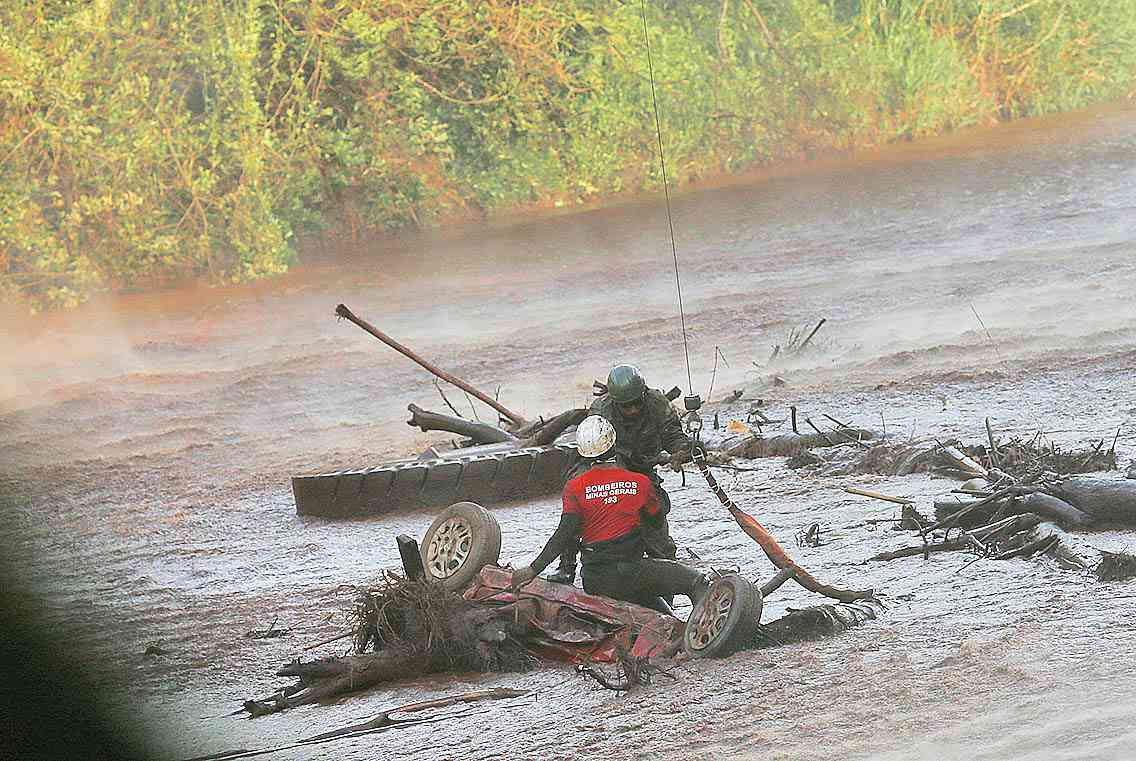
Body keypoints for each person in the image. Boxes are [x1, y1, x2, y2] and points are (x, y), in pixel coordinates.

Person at [511, 415, 708, 610]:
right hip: (634, 572)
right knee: (697, 582)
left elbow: (564, 534)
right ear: (614, 445)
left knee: (663, 612)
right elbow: (656, 522)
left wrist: (533, 569)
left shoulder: (574, 488)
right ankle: (705, 637)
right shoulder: (640, 482)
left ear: (582, 452)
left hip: (596, 581)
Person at [544, 364, 691, 584]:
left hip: (643, 470)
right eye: (625, 406)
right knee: (578, 504)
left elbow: (673, 435)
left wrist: (679, 452)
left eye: (636, 404)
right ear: (615, 402)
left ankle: (666, 570)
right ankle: (567, 566)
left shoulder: (657, 403)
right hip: (605, 465)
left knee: (656, 520)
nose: (632, 410)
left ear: (643, 394)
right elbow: (597, 449)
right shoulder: (601, 411)